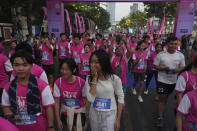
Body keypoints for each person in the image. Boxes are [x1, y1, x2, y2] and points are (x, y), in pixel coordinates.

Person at [1, 50, 55, 131]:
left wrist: (51, 127)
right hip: (16, 128)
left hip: (40, 127)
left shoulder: (42, 86)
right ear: (12, 66)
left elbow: (49, 108)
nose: (20, 68)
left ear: (31, 66)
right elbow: (6, 107)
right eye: (16, 65)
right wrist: (11, 115)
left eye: (25, 65)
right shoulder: (8, 87)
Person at [85, 50, 124, 131]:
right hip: (94, 113)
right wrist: (95, 78)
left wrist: (118, 119)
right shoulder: (89, 79)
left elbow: (120, 98)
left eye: (96, 62)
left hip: (110, 114)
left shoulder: (114, 79)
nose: (93, 65)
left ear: (104, 63)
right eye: (91, 62)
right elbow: (90, 99)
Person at [154, 36, 185, 127]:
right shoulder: (161, 55)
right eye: (171, 44)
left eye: (175, 44)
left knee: (166, 98)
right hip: (162, 80)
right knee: (162, 98)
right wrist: (163, 68)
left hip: (173, 81)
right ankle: (160, 118)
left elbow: (182, 66)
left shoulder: (180, 55)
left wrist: (177, 70)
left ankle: (161, 110)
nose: (173, 46)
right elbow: (155, 66)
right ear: (167, 44)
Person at [53, 58, 86, 131]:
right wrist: (58, 120)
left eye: (67, 69)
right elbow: (56, 103)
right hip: (65, 114)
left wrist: (88, 116)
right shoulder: (58, 83)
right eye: (62, 69)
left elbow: (85, 100)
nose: (63, 72)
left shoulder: (81, 82)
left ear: (74, 70)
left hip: (79, 114)